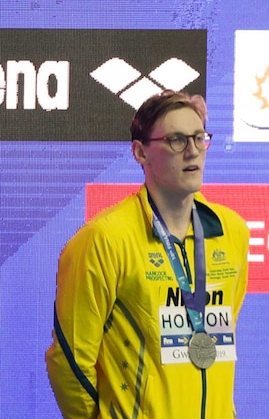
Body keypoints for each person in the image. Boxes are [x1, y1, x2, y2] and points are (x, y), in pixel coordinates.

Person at [46, 90, 250, 418]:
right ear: (141, 152)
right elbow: (69, 360)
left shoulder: (233, 233)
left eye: (199, 138)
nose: (192, 152)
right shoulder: (104, 240)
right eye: (176, 140)